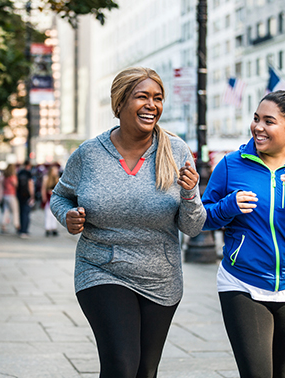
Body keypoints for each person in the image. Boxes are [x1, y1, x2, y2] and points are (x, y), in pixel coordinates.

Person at [49, 67, 206, 378]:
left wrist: (190, 194)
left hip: (160, 279)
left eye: (158, 98)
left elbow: (193, 227)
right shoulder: (90, 154)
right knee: (121, 365)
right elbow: (60, 196)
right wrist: (67, 216)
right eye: (142, 97)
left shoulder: (175, 152)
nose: (152, 105)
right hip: (101, 269)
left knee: (145, 371)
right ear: (119, 103)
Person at [201, 90, 285, 378]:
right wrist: (228, 206)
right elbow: (201, 220)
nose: (258, 127)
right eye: (256, 119)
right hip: (242, 284)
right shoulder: (231, 165)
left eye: (268, 121)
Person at [0, 164, 20, 234]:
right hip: (11, 195)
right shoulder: (12, 177)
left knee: (6, 211)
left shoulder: (4, 177)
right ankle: (16, 225)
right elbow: (16, 184)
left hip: (5, 195)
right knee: (15, 211)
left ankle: (3, 224)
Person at [16, 160, 34, 239]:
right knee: (26, 213)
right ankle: (24, 230)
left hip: (19, 195)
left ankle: (20, 229)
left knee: (21, 212)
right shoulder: (28, 173)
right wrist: (32, 195)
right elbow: (30, 184)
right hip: (27, 195)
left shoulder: (19, 172)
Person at [41, 165, 60, 236]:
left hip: (54, 198)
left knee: (54, 214)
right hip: (48, 197)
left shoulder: (57, 179)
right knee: (48, 213)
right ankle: (48, 228)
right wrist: (44, 197)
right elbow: (43, 188)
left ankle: (53, 227)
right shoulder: (46, 178)